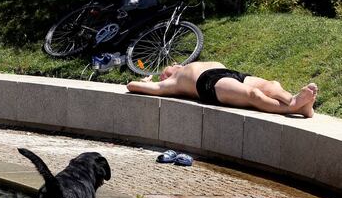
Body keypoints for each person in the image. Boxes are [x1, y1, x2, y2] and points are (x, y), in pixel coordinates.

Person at [126, 61, 318, 118]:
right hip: (209, 83)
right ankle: (295, 106)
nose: (164, 70)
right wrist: (145, 81)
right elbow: (131, 86)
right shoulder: (172, 82)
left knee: (271, 85)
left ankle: (296, 102)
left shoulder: (187, 65)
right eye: (162, 72)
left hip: (229, 73)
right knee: (254, 95)